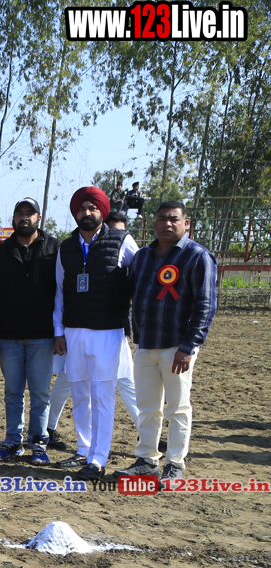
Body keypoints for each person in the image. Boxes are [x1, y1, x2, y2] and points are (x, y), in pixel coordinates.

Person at [116, 201, 217, 481]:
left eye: (174, 219)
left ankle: (174, 464)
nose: (167, 224)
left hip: (177, 346)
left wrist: (189, 346)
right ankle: (147, 459)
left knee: (178, 408)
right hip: (145, 344)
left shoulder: (197, 256)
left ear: (186, 224)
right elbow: (128, 292)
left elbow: (205, 306)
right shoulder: (143, 256)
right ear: (155, 223)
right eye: (162, 219)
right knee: (147, 407)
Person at [53, 186, 139, 480]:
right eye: (82, 208)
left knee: (102, 395)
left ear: (102, 211)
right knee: (80, 394)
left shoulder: (122, 241)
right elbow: (60, 292)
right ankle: (84, 449)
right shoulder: (66, 248)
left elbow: (141, 276)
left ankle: (99, 459)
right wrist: (59, 332)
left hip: (108, 331)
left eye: (92, 208)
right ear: (75, 213)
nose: (87, 213)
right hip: (74, 332)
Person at [0, 197, 60, 464]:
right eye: (20, 213)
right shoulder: (1, 252)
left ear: (39, 218)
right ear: (13, 219)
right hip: (8, 336)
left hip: (43, 336)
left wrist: (61, 332)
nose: (24, 217)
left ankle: (38, 443)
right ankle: (13, 440)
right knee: (13, 392)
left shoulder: (55, 249)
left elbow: (63, 293)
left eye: (30, 213)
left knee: (40, 393)